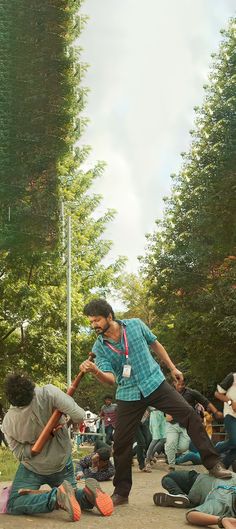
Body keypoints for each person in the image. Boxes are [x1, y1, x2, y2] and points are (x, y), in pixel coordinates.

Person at [79, 298, 231, 507]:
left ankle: (214, 464)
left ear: (109, 316)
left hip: (154, 383)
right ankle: (122, 492)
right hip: (128, 393)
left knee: (189, 415)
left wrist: (172, 367)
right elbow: (110, 379)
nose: (93, 325)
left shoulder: (135, 325)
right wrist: (95, 371)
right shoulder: (100, 347)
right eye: (91, 322)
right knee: (121, 443)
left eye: (96, 320)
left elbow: (155, 344)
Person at [2, 373, 113, 520]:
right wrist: (64, 419)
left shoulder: (8, 422)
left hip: (32, 468)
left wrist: (35, 446)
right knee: (73, 494)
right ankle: (87, 496)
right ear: (31, 385)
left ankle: (56, 498)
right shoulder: (49, 392)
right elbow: (80, 416)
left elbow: (20, 454)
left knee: (14, 503)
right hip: (62, 463)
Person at [153, 469, 236, 527]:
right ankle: (184, 498)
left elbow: (191, 515)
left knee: (167, 478)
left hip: (195, 480)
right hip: (197, 482)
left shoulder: (220, 503)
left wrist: (221, 520)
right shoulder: (221, 503)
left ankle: (181, 495)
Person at [215, 373, 236, 469]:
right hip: (230, 415)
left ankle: (223, 465)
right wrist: (231, 402)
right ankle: (212, 452)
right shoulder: (232, 377)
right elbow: (217, 393)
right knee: (234, 441)